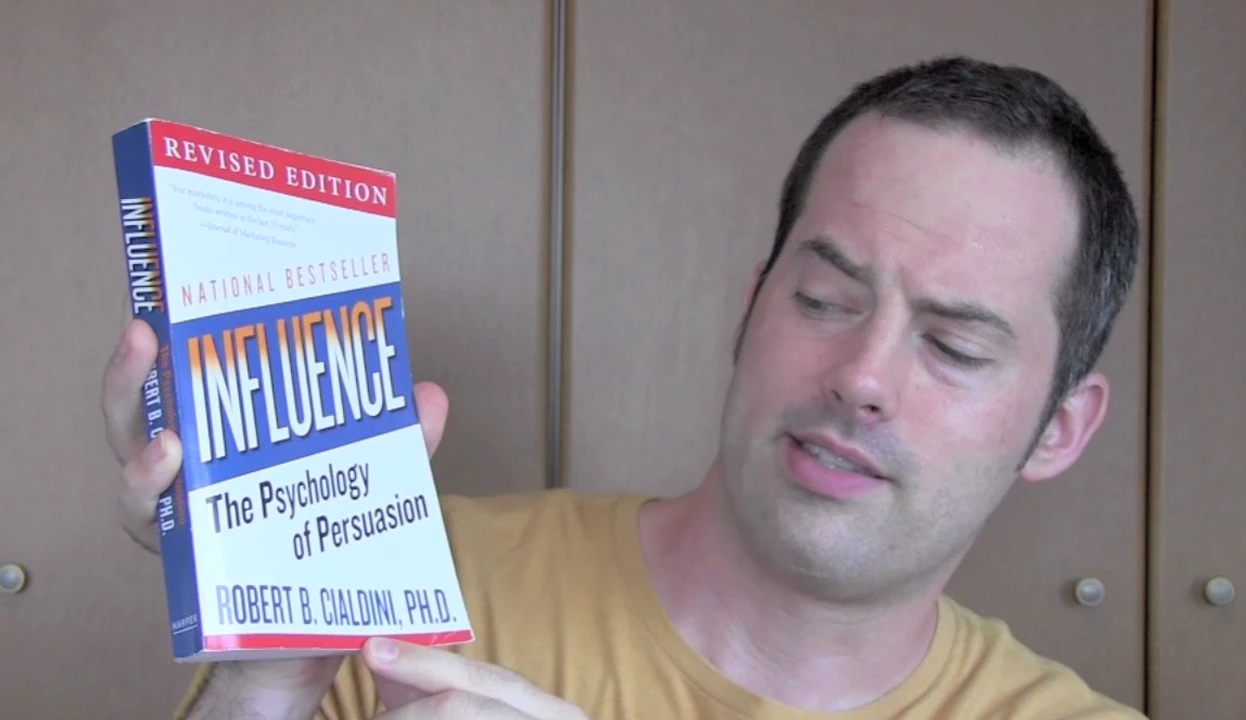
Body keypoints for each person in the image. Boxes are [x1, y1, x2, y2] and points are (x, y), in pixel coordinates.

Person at [102, 55, 1148, 719]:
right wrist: (269, 678)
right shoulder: (421, 593)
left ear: (1059, 429)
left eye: (953, 347)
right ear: (753, 305)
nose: (862, 378)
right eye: (824, 299)